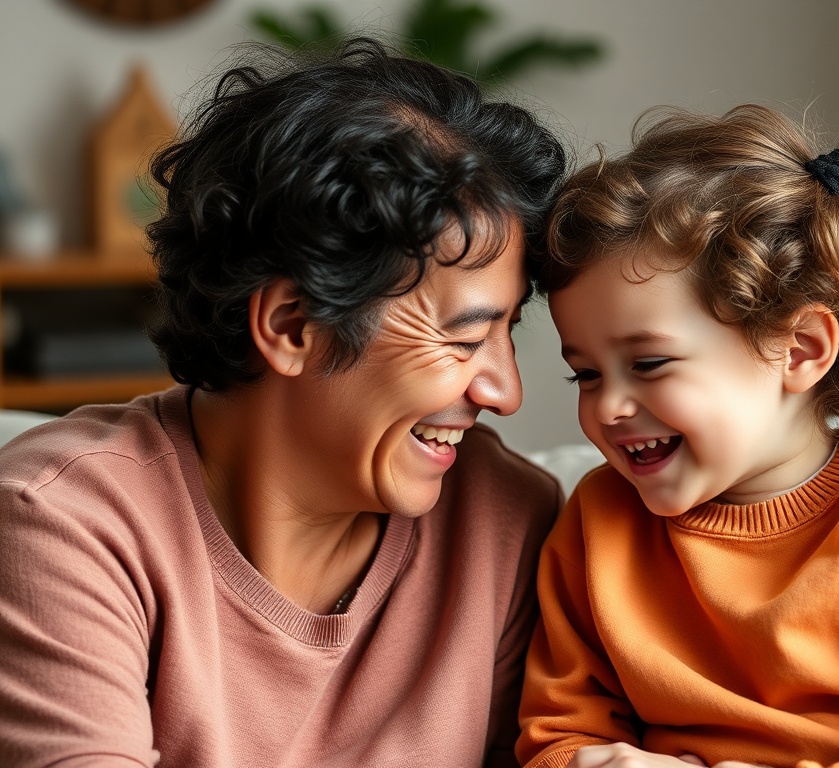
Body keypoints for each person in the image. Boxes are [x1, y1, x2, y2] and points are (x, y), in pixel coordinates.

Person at [0, 38, 567, 767]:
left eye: (508, 331)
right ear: (292, 326)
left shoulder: (506, 520)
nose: (505, 392)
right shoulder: (63, 524)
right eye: (464, 340)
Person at [515, 104, 839, 767]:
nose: (608, 406)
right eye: (583, 374)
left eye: (648, 364)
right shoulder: (597, 519)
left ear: (802, 349)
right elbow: (554, 736)